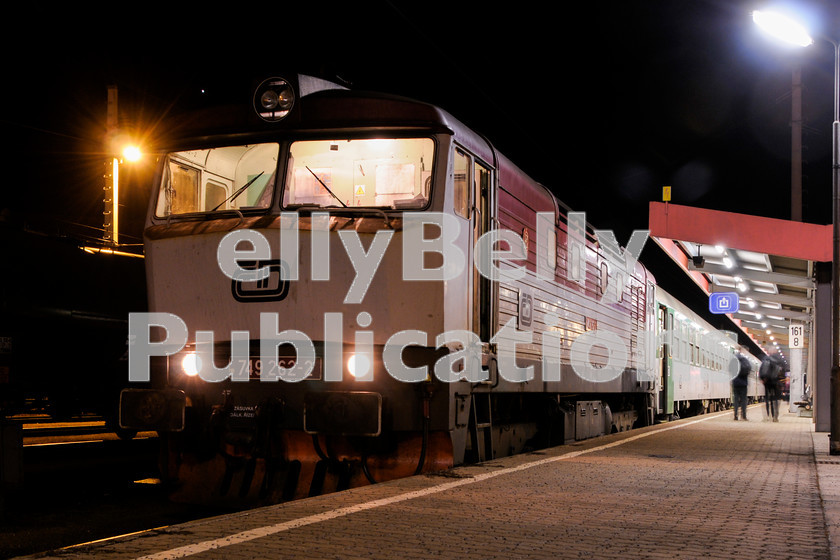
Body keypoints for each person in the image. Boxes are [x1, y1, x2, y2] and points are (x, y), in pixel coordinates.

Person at [759, 348, 784, 422]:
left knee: (767, 399)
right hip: (776, 382)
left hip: (767, 382)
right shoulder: (779, 360)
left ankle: (767, 416)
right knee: (776, 399)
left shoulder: (766, 360)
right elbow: (783, 371)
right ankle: (775, 416)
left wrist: (762, 379)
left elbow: (762, 370)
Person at [732, 348, 751, 421]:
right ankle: (744, 416)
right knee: (743, 400)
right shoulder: (745, 360)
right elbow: (749, 370)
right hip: (743, 383)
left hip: (735, 383)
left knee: (736, 400)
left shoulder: (734, 359)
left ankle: (735, 415)